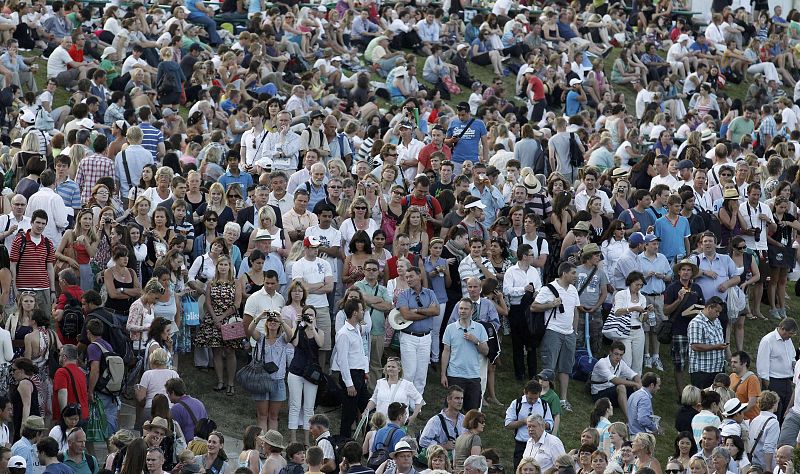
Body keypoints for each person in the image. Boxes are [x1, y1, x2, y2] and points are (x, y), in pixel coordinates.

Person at [531, 262, 580, 413]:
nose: (575, 276)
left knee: (566, 368)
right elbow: (534, 306)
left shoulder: (573, 290)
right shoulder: (549, 288)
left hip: (569, 333)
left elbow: (575, 311)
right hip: (553, 331)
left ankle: (563, 399)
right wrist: (551, 304)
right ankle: (544, 398)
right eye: (573, 273)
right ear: (564, 273)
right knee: (549, 367)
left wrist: (575, 331)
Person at [396, 266, 440, 397]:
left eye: (411, 276)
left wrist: (416, 310)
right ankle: (405, 404)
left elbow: (436, 311)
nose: (408, 279)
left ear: (419, 276)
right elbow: (406, 316)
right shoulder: (403, 295)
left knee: (421, 374)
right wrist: (428, 312)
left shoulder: (430, 293)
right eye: (406, 277)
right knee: (409, 373)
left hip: (426, 338)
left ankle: (416, 404)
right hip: (408, 337)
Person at [503, 243, 543, 381]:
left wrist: (536, 293)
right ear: (524, 256)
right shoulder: (511, 271)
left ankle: (533, 373)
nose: (533, 257)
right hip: (517, 309)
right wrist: (523, 289)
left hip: (531, 308)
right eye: (531, 254)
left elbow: (539, 286)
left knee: (532, 342)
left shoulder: (534, 271)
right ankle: (519, 373)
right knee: (517, 342)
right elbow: (507, 290)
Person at [441, 298, 489, 412]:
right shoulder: (450, 328)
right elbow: (446, 351)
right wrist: (443, 374)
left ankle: (469, 430)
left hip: (473, 376)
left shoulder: (480, 328)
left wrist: (476, 341)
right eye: (461, 308)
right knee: (452, 409)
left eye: (466, 309)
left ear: (472, 311)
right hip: (455, 375)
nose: (462, 311)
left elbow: (486, 351)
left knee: (472, 412)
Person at [332, 300, 370, 438]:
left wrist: (365, 372)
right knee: (349, 414)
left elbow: (360, 353)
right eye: (361, 310)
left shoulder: (356, 329)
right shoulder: (343, 333)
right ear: (354, 313)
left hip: (359, 374)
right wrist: (349, 384)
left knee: (368, 410)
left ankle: (368, 444)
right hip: (351, 376)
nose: (363, 312)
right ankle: (345, 444)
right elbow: (342, 360)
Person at [504, 380, 555, 470]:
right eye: (530, 398)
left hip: (539, 444)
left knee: (537, 470)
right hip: (521, 443)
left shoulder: (544, 404)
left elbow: (550, 424)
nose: (533, 401)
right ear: (525, 392)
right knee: (519, 469)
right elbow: (508, 424)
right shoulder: (517, 403)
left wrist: (539, 424)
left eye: (536, 398)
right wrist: (524, 421)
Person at [755, 318, 797, 424]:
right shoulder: (768, 340)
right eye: (790, 333)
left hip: (787, 381)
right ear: (783, 329)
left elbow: (792, 356)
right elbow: (762, 365)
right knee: (775, 411)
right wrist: (767, 384)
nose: (790, 336)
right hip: (774, 381)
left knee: (786, 410)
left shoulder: (788, 340)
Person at [590, 342, 641, 421]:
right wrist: (635, 384)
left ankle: (642, 415)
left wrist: (639, 385)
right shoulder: (602, 363)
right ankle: (629, 420)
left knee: (635, 389)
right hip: (599, 394)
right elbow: (615, 380)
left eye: (621, 355)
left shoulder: (621, 363)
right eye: (616, 354)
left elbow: (634, 375)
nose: (618, 357)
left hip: (611, 391)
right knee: (621, 387)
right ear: (610, 352)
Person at [688, 297, 727, 388]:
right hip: (702, 371)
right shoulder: (696, 323)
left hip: (718, 368)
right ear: (709, 308)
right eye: (716, 311)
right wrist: (715, 347)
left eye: (719, 312)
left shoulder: (716, 321)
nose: (718, 314)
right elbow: (695, 346)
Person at [748, 391, 780, 472]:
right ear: (773, 404)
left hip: (753, 461)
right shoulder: (773, 423)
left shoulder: (755, 420)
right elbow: (769, 448)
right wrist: (768, 469)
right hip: (764, 464)